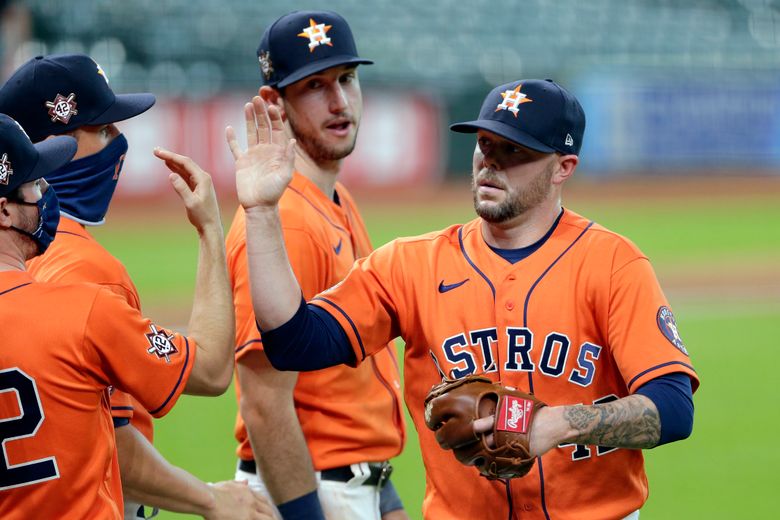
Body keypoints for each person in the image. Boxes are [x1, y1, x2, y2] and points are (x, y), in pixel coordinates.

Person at [227, 79, 700, 519]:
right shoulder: (409, 265)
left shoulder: (613, 263)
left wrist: (557, 425)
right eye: (485, 144)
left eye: (514, 151)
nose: (490, 162)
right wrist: (263, 212)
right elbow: (293, 343)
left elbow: (674, 409)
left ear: (563, 167)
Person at [0, 54, 267, 519]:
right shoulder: (82, 273)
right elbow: (200, 377)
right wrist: (212, 500)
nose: (119, 143)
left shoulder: (33, 267)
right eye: (103, 130)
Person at [227, 10, 407, 520]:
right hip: (308, 491)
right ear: (274, 104)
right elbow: (263, 401)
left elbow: (350, 377)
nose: (339, 101)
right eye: (314, 86)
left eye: (347, 79)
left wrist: (384, 499)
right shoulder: (287, 221)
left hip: (354, 483)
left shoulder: (334, 199)